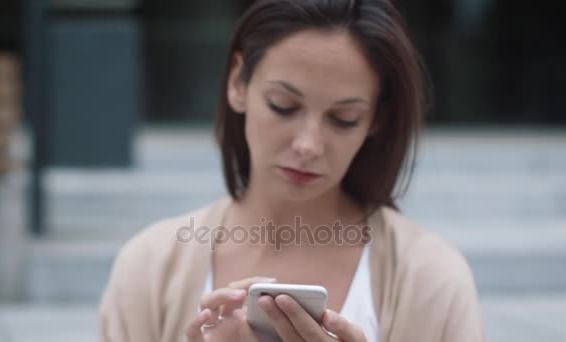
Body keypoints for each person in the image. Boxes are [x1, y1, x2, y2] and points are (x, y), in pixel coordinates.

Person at [98, 0, 484, 341]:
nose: (308, 145)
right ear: (237, 82)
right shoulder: (149, 267)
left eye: (343, 118)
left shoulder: (431, 278)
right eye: (283, 106)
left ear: (376, 119)